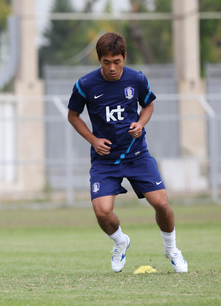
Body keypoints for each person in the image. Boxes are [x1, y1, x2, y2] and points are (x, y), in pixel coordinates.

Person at [67, 32, 187, 273]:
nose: (112, 68)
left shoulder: (137, 79)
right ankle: (121, 242)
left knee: (162, 204)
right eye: (106, 62)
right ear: (99, 59)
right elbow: (73, 115)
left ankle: (172, 249)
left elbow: (149, 105)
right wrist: (93, 139)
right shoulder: (85, 85)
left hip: (137, 155)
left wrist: (141, 124)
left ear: (124, 57)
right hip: (105, 159)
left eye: (117, 61)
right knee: (102, 212)